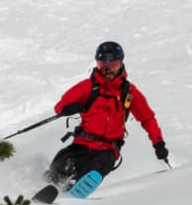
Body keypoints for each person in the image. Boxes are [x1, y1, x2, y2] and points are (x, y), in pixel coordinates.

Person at [41, 40, 169, 193]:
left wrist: (158, 143)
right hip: (81, 144)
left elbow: (147, 118)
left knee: (95, 168)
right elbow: (59, 107)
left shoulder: (129, 93)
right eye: (103, 65)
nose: (108, 70)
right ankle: (43, 191)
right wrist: (69, 108)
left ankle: (74, 192)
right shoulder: (88, 87)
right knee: (61, 163)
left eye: (112, 65)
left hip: (108, 150)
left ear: (121, 64)